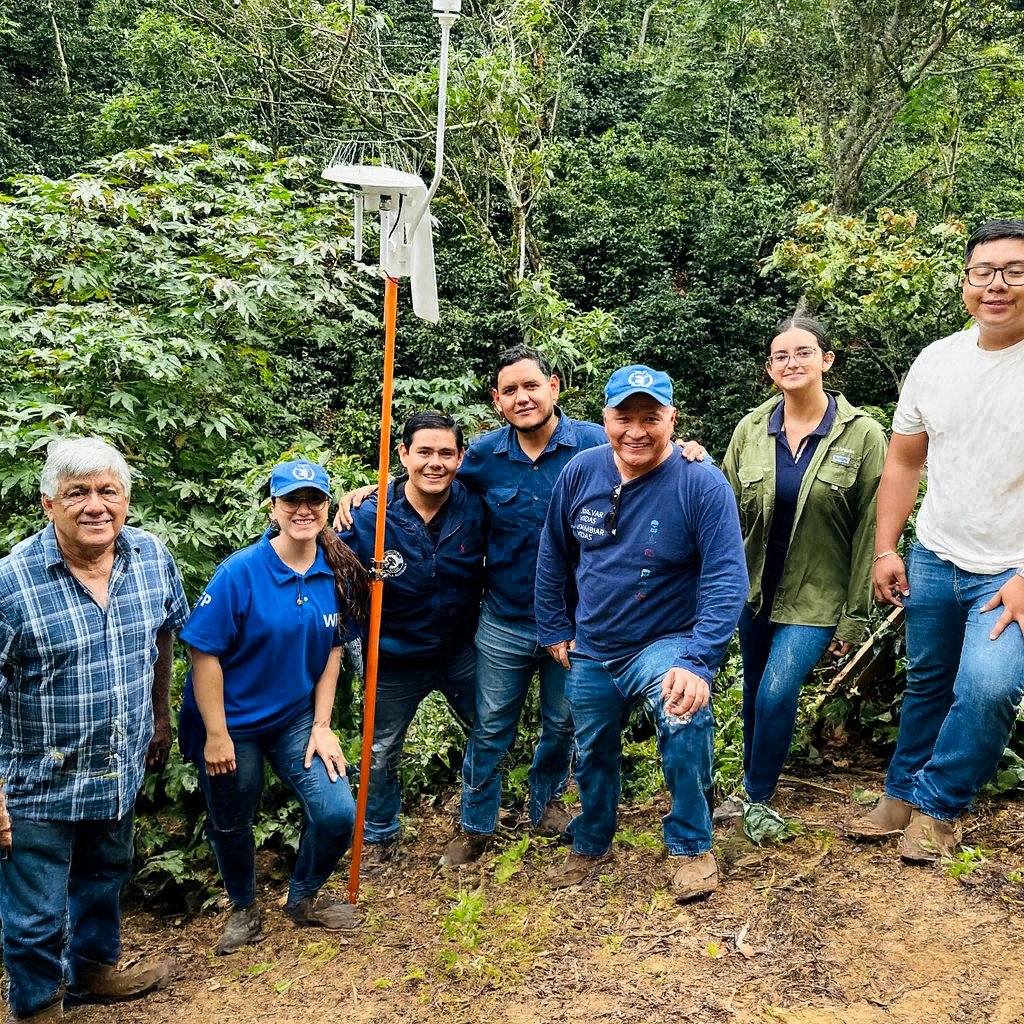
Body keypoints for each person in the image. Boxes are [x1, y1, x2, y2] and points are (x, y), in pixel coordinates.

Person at [336, 346, 706, 867]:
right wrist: (370, 490)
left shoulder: (599, 442)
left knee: (562, 723)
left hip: (579, 622)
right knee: (491, 725)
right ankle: (475, 823)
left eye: (531, 385)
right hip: (504, 617)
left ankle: (546, 804)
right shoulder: (483, 456)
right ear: (497, 400)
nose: (522, 397)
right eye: (509, 390)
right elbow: (428, 477)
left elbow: (650, 447)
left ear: (554, 387)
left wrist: (691, 449)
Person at [535, 366, 748, 902]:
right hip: (593, 645)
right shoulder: (581, 472)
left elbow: (727, 575)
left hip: (666, 642)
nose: (636, 430)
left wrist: (699, 660)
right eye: (623, 417)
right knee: (593, 750)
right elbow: (553, 554)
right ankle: (593, 836)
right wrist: (554, 624)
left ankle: (691, 845)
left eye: (650, 418)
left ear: (671, 420)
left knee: (684, 713)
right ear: (603, 419)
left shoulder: (700, 481)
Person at [849, 219, 1024, 862]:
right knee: (927, 680)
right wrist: (887, 547)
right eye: (984, 272)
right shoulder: (937, 361)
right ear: (966, 284)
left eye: (1015, 271)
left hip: (1012, 574)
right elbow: (903, 461)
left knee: (989, 687)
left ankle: (940, 805)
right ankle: (900, 795)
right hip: (936, 553)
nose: (997, 285)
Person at [0, 437, 189, 1023]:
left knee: (104, 878)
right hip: (36, 780)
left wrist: (159, 718)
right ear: (47, 503)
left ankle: (94, 970)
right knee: (34, 914)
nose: (95, 506)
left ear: (126, 500)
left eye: (108, 491)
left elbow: (165, 633)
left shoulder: (152, 557)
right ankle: (38, 1007)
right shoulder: (12, 583)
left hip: (116, 765)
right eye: (77, 493)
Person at [178, 459, 367, 955]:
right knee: (232, 815)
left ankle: (303, 898)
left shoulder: (337, 569)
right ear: (274, 509)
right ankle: (243, 907)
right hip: (230, 721)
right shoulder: (241, 572)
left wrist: (323, 725)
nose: (304, 510)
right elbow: (204, 653)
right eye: (292, 501)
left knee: (336, 812)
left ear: (328, 504)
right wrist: (216, 734)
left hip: (292, 717)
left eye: (315, 500)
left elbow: (332, 653)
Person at [717, 317, 887, 821]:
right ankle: (750, 784)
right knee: (752, 691)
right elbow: (722, 510)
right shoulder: (751, 429)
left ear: (826, 360)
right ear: (770, 369)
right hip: (753, 592)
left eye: (803, 353)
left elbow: (870, 533)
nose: (791, 363)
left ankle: (757, 795)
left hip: (817, 596)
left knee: (776, 691)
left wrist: (855, 618)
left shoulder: (862, 434)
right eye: (780, 356)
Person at [340, 412, 486, 864]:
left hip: (459, 649)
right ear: (403, 454)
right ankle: (379, 833)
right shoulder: (369, 514)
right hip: (392, 657)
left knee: (488, 730)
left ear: (461, 457)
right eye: (424, 452)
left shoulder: (477, 506)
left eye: (446, 453)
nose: (435, 462)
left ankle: (477, 823)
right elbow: (318, 553)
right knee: (380, 750)